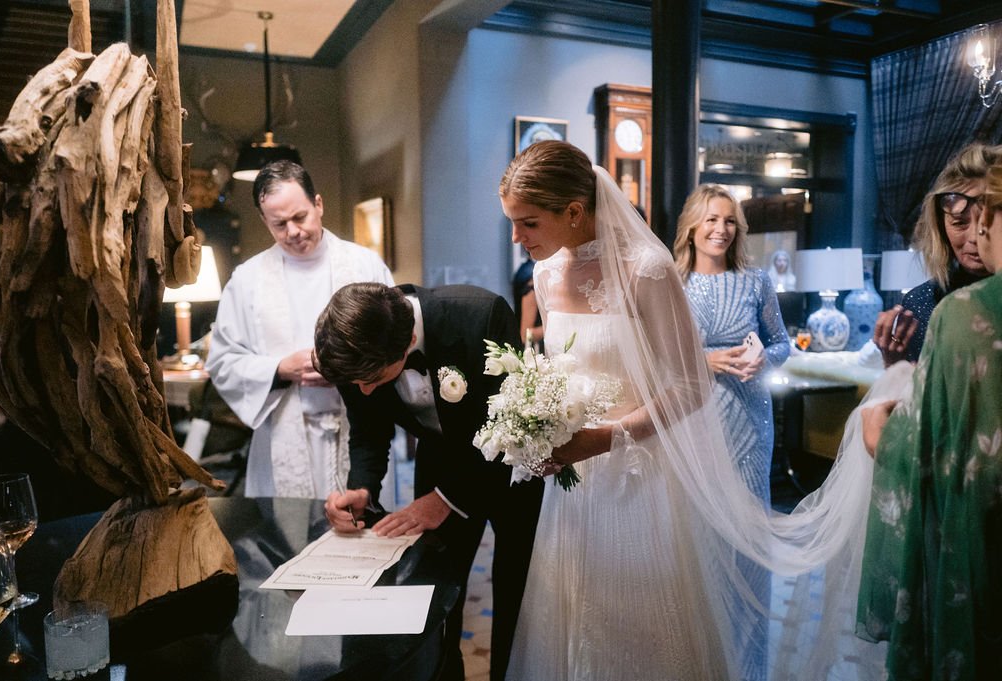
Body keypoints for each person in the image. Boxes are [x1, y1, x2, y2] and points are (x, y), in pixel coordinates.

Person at [499, 140, 887, 680]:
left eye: (529, 224)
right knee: (574, 613)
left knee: (642, 626)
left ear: (573, 210)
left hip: (639, 475)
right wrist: (537, 428)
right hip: (574, 478)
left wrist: (603, 437)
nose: (518, 239)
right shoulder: (545, 276)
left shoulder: (648, 269)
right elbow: (562, 372)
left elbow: (688, 387)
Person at [313, 282, 543, 681]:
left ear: (409, 342)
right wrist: (363, 488)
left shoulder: (480, 315)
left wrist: (446, 499)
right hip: (439, 463)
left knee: (515, 592)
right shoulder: (354, 350)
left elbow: (515, 427)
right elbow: (368, 429)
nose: (364, 390)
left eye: (372, 378)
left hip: (513, 473)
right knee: (436, 598)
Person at [856, 162, 1002, 681]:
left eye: (982, 216)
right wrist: (893, 368)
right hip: (934, 499)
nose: (971, 233)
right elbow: (922, 399)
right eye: (955, 220)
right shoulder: (922, 301)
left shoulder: (969, 309)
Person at [205, 161, 393, 499]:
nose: (292, 231)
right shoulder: (247, 281)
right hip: (283, 436)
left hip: (357, 431)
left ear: (318, 205)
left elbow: (394, 345)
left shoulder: (365, 266)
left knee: (359, 535)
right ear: (264, 221)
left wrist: (346, 371)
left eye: (300, 217)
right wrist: (279, 369)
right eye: (279, 224)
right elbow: (222, 361)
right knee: (288, 544)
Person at [674, 184, 791, 681]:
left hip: (750, 419)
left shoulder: (755, 281)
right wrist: (705, 359)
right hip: (695, 419)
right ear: (692, 228)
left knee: (747, 544)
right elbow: (655, 358)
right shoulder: (671, 284)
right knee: (699, 539)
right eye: (711, 220)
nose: (720, 229)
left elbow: (783, 343)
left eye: (728, 221)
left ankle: (747, 668)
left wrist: (766, 356)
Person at [873, 143, 1001, 366]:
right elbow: (918, 397)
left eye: (985, 222)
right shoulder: (923, 303)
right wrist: (895, 363)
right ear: (941, 227)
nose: (974, 237)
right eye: (959, 223)